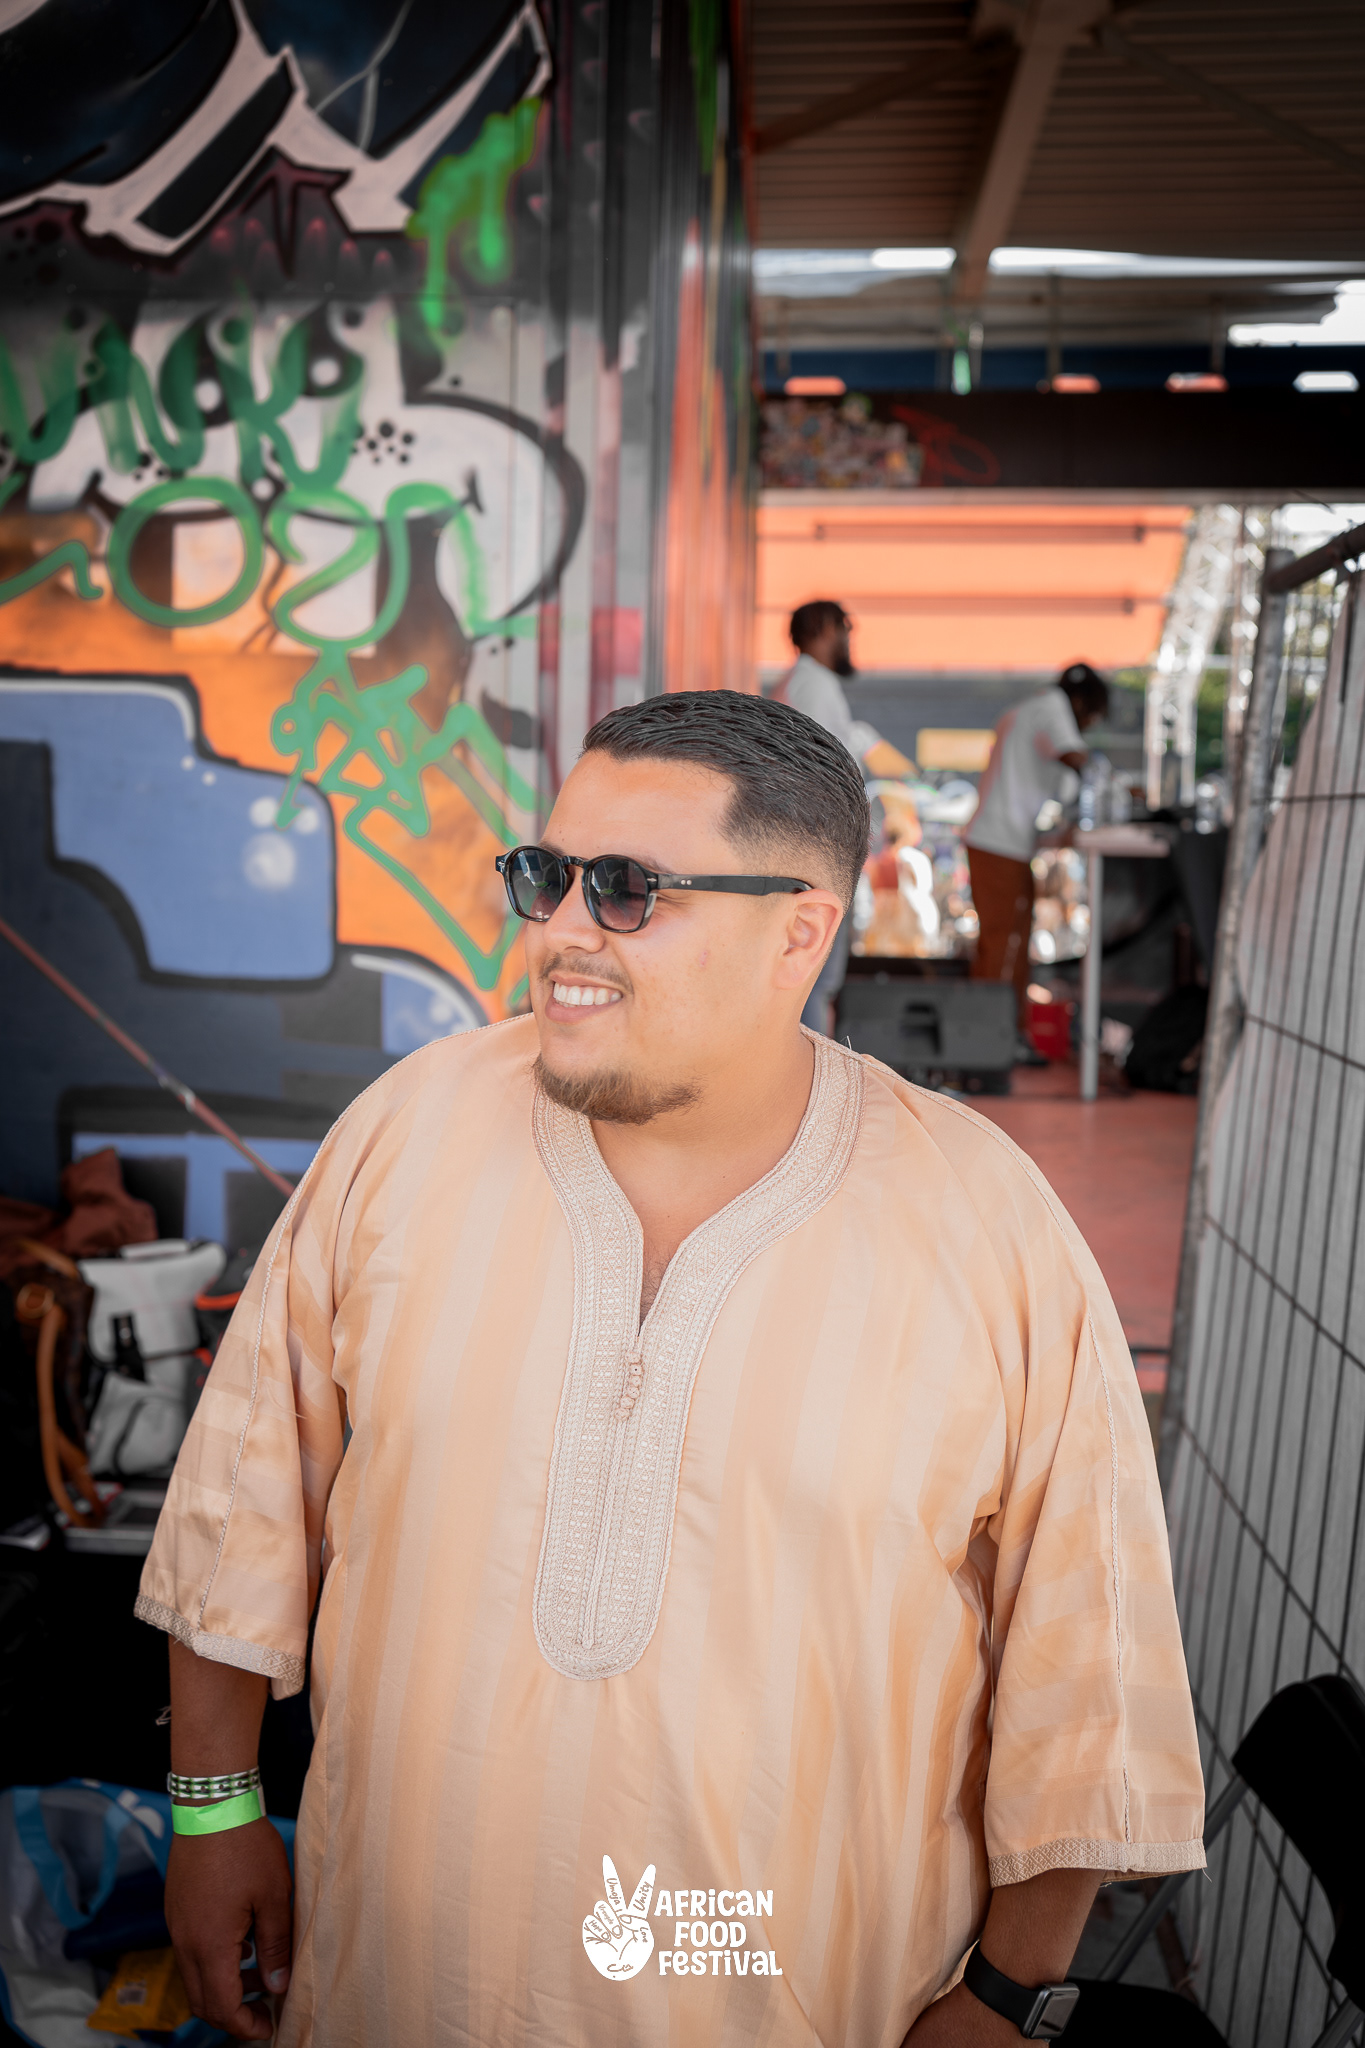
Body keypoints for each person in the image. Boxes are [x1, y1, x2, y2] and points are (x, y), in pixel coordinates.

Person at [140, 689, 1203, 2048]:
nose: (563, 930)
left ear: (799, 932)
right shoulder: (407, 1133)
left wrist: (1008, 1999)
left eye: (629, 889)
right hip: (393, 1991)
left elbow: (1088, 1658)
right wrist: (213, 1810)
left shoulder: (985, 1225)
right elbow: (241, 1503)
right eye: (547, 875)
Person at [778, 600, 913, 1031]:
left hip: (815, 838)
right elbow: (824, 767)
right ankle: (813, 1065)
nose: (848, 639)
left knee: (813, 971)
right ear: (822, 629)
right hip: (818, 840)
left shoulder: (807, 682)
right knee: (816, 972)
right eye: (844, 629)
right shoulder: (813, 683)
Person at [964, 663, 1109, 1057]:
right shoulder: (1053, 707)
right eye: (1092, 716)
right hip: (1000, 842)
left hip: (1000, 840)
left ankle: (997, 1036)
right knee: (1005, 945)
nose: (1088, 725)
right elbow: (1078, 759)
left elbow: (1062, 784)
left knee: (1002, 943)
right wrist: (1114, 782)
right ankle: (994, 1040)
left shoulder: (1028, 709)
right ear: (1081, 702)